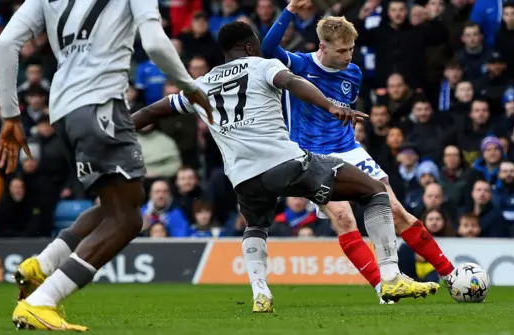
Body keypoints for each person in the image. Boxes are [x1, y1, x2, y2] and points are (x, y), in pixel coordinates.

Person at [131, 20, 438, 311]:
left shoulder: (201, 85)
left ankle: (260, 291)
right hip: (286, 164)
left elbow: (157, 110)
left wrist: (121, 130)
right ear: (251, 46)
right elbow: (292, 82)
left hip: (244, 179)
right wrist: (330, 105)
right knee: (373, 191)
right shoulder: (264, 65)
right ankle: (390, 276)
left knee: (255, 226)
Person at [0, 0, 214, 330]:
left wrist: (9, 115)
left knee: (118, 205)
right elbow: (155, 43)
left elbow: (5, 45)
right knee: (128, 219)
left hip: (63, 113)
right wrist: (189, 86)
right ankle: (42, 300)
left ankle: (41, 266)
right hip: (101, 106)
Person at [260, 0, 451, 302]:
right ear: (323, 46)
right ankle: (383, 289)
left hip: (348, 149)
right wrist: (292, 9)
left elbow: (341, 112)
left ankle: (450, 275)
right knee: (345, 219)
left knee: (394, 209)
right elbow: (268, 46)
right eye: (343, 50)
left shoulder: (354, 72)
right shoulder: (299, 65)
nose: (349, 56)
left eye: (352, 49)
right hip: (310, 156)